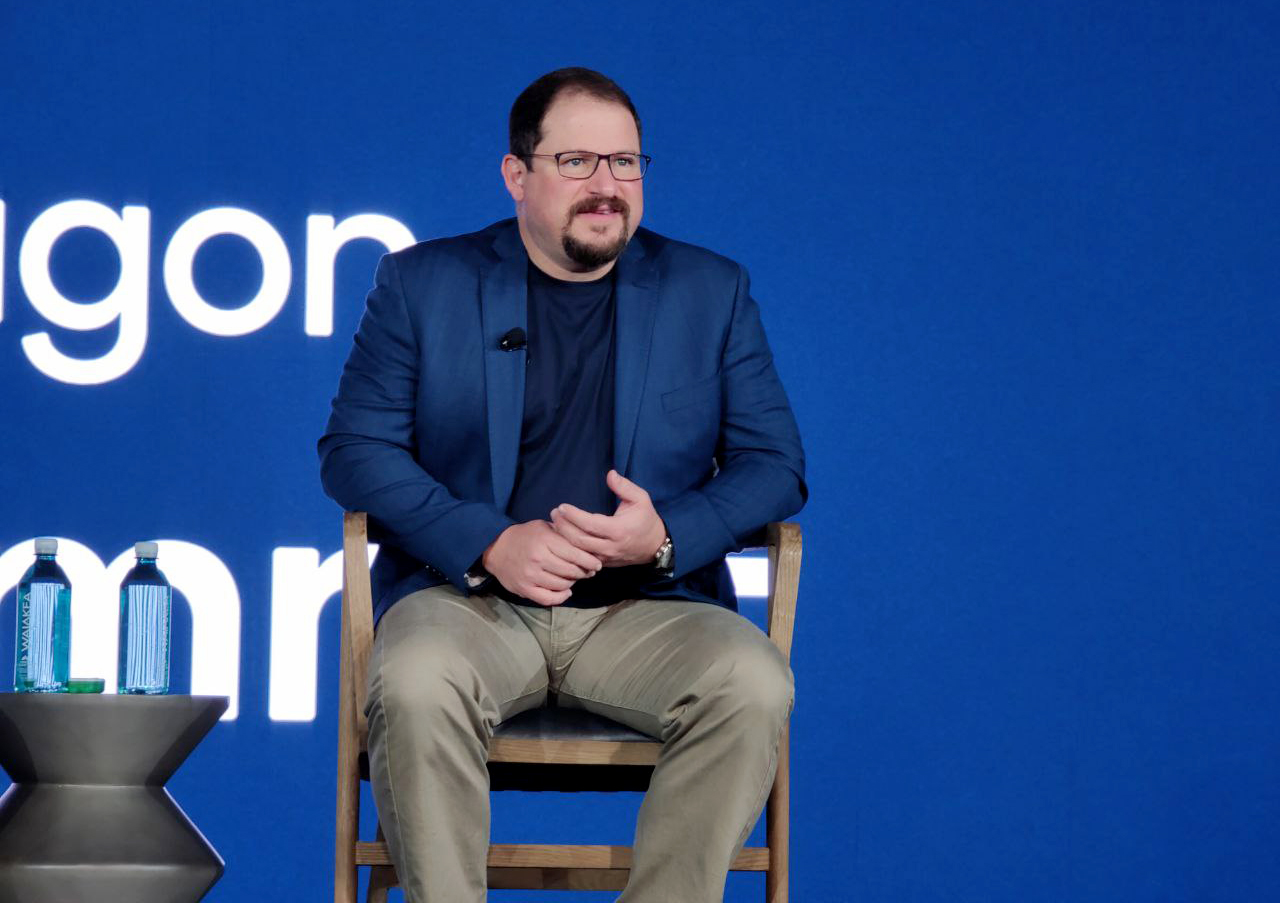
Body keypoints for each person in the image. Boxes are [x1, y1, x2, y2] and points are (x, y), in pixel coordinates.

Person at [318, 66, 806, 903]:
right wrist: (490, 540)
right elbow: (354, 450)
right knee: (414, 680)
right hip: (466, 604)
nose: (608, 187)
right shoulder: (421, 284)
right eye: (578, 162)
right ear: (518, 174)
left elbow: (777, 465)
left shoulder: (709, 291)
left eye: (626, 164)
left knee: (753, 680)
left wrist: (665, 535)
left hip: (648, 612)